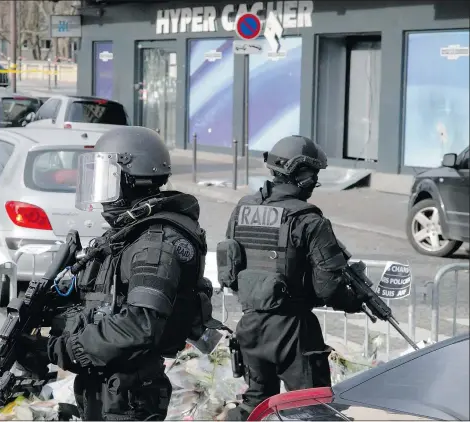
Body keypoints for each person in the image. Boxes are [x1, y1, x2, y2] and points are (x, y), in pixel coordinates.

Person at [18, 126, 218, 421]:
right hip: (107, 387)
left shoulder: (156, 242)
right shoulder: (128, 234)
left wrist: (57, 349)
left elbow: (140, 325)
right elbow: (102, 301)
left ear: (131, 179)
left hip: (130, 395)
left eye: (106, 176)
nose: (99, 190)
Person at [217, 135, 366, 421]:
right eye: (314, 174)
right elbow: (328, 288)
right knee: (314, 410)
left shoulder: (243, 210)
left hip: (250, 326)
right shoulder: (310, 220)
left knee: (256, 405)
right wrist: (354, 300)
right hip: (294, 331)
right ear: (300, 173)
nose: (315, 182)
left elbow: (233, 268)